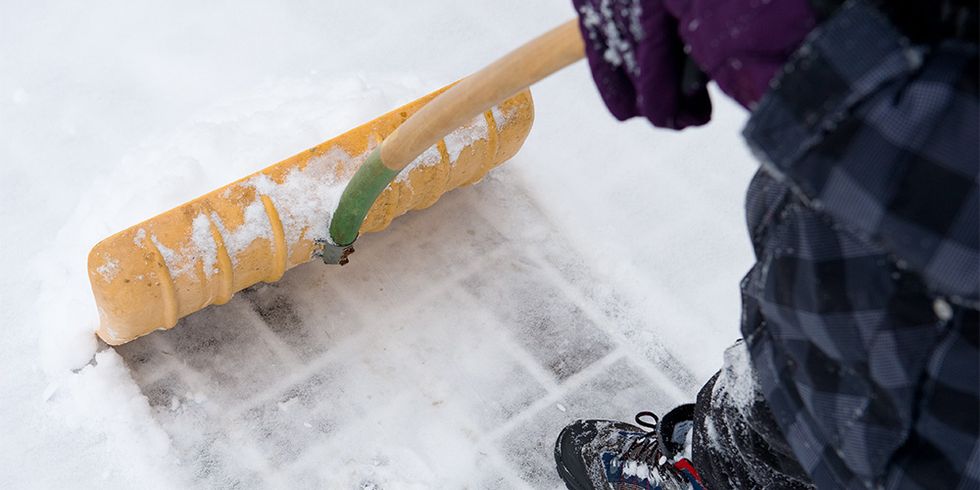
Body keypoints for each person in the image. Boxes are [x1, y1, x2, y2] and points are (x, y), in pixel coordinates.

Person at [553, 0, 979, 488]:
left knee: (859, 403)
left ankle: (707, 472)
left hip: (938, 360)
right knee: (800, 379)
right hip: (857, 276)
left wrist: (825, 65)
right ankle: (712, 463)